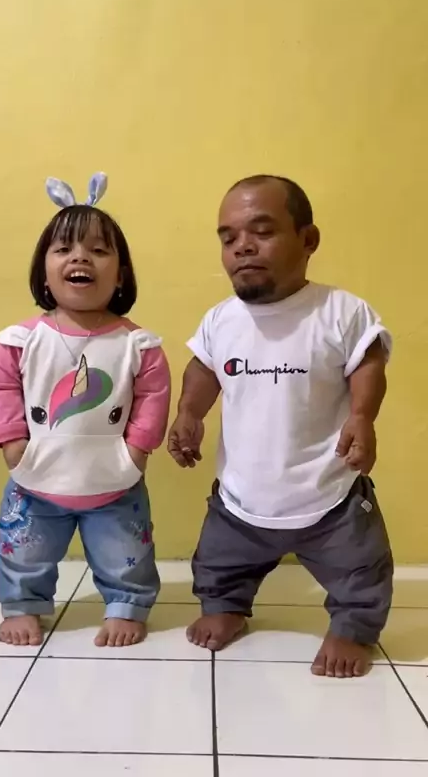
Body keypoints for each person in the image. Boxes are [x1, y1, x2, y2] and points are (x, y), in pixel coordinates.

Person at [168, 174, 392, 678]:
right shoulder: (222, 319)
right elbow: (203, 368)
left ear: (308, 239)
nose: (242, 246)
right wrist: (188, 413)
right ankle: (226, 605)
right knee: (219, 562)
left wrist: (361, 417)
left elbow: (369, 363)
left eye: (262, 231)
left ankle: (353, 627)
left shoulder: (340, 312)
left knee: (361, 567)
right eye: (228, 237)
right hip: (241, 497)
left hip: (329, 493)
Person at [0, 173, 170, 649]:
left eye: (98, 250)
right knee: (24, 548)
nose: (80, 257)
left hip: (114, 479)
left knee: (126, 550)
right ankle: (23, 604)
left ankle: (126, 604)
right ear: (44, 270)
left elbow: (153, 396)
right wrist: (12, 443)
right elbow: (1, 387)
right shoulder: (21, 340)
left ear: (120, 274)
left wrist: (137, 450)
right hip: (36, 475)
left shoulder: (137, 344)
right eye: (64, 248)